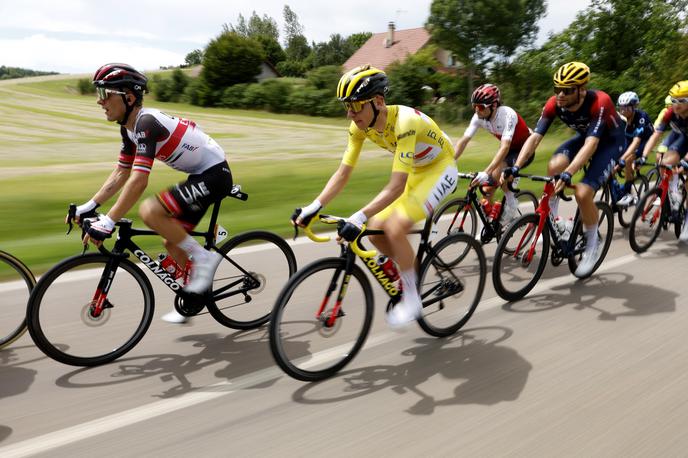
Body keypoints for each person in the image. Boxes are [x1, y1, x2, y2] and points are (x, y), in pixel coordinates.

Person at [292, 65, 458, 327]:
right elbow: (343, 173)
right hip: (417, 170)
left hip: (441, 169)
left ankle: (413, 299)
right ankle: (407, 269)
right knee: (375, 226)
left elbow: (395, 186)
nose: (349, 113)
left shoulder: (405, 122)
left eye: (355, 106)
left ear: (378, 102)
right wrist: (314, 206)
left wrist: (357, 216)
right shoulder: (359, 127)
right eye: (346, 106)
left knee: (393, 227)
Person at [73, 63, 232, 323]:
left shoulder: (146, 123)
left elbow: (138, 181)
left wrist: (109, 221)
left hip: (215, 174)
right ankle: (194, 296)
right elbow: (121, 173)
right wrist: (89, 206)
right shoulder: (129, 129)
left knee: (150, 211)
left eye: (105, 94)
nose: (100, 102)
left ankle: (204, 258)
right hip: (201, 175)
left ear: (129, 98)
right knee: (172, 242)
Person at [506, 61, 625, 277]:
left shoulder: (600, 102)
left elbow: (592, 145)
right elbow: (535, 138)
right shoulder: (554, 104)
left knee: (582, 192)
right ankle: (553, 220)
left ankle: (592, 243)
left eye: (567, 90)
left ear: (581, 90)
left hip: (609, 143)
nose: (560, 94)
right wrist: (516, 166)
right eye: (557, 89)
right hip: (584, 138)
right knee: (554, 166)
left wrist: (570, 173)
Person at [454, 83, 533, 224]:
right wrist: (450, 161)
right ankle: (490, 225)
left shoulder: (507, 114)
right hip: (508, 150)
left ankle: (511, 204)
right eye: (474, 106)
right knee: (487, 188)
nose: (477, 111)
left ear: (494, 105)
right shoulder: (478, 117)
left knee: (502, 173)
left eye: (480, 107)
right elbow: (464, 140)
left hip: (524, 149)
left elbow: (505, 147)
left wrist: (487, 171)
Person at [637, 81, 688, 241]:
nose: (677, 105)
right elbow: (655, 136)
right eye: (674, 100)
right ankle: (673, 192)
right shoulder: (669, 113)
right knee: (664, 161)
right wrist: (644, 156)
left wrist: (685, 162)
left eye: (682, 101)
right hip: (679, 135)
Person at [616, 91, 654, 207]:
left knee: (628, 159)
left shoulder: (641, 117)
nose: (623, 110)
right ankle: (618, 189)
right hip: (630, 139)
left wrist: (623, 159)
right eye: (621, 107)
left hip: (644, 141)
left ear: (634, 106)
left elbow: (637, 141)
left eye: (626, 108)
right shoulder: (622, 117)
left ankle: (628, 192)